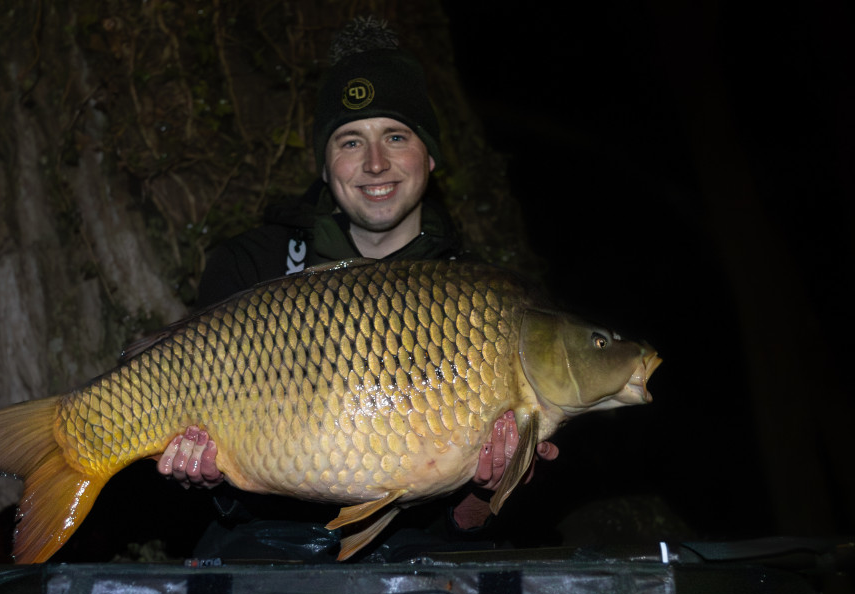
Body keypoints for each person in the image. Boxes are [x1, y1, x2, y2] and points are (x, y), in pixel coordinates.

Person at [157, 18, 557, 559]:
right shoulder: (251, 265)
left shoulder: (482, 304)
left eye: (396, 136)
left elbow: (469, 527)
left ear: (430, 157)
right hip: (269, 553)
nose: (375, 164)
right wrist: (208, 478)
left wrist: (484, 492)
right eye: (351, 141)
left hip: (418, 570)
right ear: (326, 165)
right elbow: (228, 492)